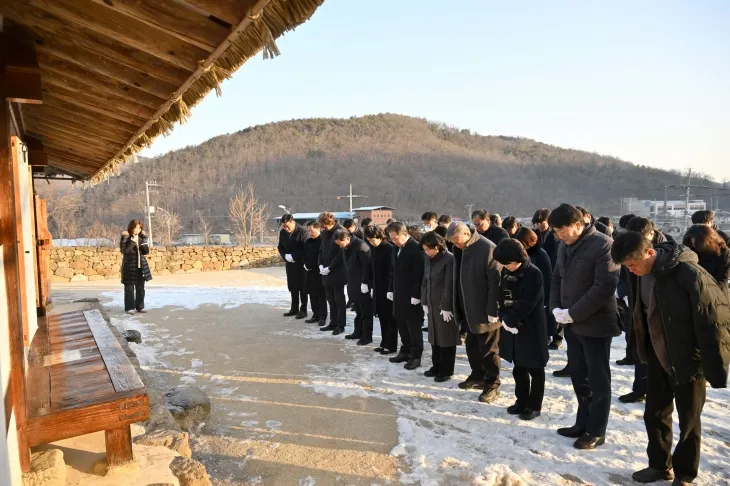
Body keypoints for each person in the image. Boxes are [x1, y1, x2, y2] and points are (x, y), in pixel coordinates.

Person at [611, 232, 730, 485]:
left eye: (633, 265)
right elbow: (641, 312)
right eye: (627, 268)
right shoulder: (640, 275)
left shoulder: (689, 273)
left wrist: (716, 366)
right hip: (657, 355)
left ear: (650, 253)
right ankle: (659, 465)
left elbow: (714, 320)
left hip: (688, 358)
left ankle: (685, 473)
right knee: (654, 414)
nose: (631, 271)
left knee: (688, 421)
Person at [549, 203, 620, 450]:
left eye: (563, 231)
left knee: (598, 378)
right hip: (571, 322)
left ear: (579, 224)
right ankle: (582, 422)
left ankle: (597, 430)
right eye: (556, 232)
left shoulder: (603, 245)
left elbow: (604, 286)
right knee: (579, 375)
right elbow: (557, 276)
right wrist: (556, 308)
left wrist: (573, 313)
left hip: (596, 323)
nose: (559, 236)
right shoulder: (563, 245)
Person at [447, 221, 502, 403]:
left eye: (458, 241)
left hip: (485, 310)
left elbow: (496, 281)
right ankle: (477, 375)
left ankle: (492, 385)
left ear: (466, 234)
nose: (456, 245)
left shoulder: (487, 248)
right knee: (472, 346)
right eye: (453, 243)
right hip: (467, 308)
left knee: (489, 350)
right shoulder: (460, 249)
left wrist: (493, 308)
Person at [494, 239, 549, 421]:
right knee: (519, 367)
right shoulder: (506, 271)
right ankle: (521, 400)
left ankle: (534, 405)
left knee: (535, 368)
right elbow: (501, 296)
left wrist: (511, 319)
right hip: (512, 326)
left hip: (531, 326)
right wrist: (503, 315)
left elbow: (528, 303)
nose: (506, 267)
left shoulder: (533, 274)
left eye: (508, 263)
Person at [387, 222, 426, 370]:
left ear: (404, 234)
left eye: (395, 238)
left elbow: (420, 274)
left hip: (411, 296)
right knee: (401, 324)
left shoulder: (415, 248)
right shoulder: (396, 248)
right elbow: (392, 270)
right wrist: (390, 289)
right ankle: (405, 351)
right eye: (391, 238)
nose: (393, 241)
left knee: (413, 326)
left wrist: (416, 295)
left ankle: (415, 356)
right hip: (398, 294)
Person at [420, 232, 457, 382]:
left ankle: (446, 370)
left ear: (437, 246)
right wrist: (424, 301)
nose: (426, 252)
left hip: (444, 306)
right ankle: (436, 366)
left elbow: (449, 284)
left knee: (446, 338)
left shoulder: (449, 259)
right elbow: (425, 281)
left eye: (428, 249)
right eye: (425, 249)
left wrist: (446, 306)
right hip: (431, 303)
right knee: (434, 337)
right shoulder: (429, 259)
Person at [334, 229, 374, 345]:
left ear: (347, 238)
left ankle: (367, 336)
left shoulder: (361, 246)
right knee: (358, 310)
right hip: (353, 283)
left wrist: (365, 282)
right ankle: (357, 332)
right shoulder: (347, 247)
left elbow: (367, 266)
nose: (341, 247)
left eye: (341, 244)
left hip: (363, 284)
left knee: (366, 311)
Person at [514, 228, 554, 344]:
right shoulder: (523, 254)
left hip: (540, 296)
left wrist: (546, 300)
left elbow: (547, 278)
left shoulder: (541, 255)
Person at [365, 225, 398, 354]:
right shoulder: (374, 249)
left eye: (373, 240)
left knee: (390, 318)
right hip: (377, 288)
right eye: (369, 240)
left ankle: (391, 345)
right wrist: (371, 286)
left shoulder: (389, 249)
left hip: (387, 289)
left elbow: (391, 271)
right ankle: (384, 342)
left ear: (380, 237)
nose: (371, 242)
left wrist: (390, 289)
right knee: (382, 317)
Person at [318, 212, 347, 335]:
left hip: (338, 271)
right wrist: (320, 264)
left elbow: (341, 254)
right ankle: (333, 322)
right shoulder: (325, 233)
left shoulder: (341, 232)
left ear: (331, 222)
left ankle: (341, 325)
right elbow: (321, 250)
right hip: (325, 271)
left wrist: (330, 267)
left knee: (339, 299)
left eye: (324, 226)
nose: (323, 228)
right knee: (330, 298)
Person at [278, 214, 308, 319]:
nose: (285, 228)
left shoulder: (302, 232)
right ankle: (294, 308)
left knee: (302, 287)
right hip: (290, 264)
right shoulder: (283, 232)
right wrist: (285, 256)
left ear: (292, 222)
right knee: (293, 286)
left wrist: (294, 255)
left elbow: (306, 248)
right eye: (284, 226)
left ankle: (303, 310)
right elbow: (280, 246)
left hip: (301, 263)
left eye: (287, 226)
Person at [120, 219, 152, 314]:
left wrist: (144, 243)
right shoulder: (126, 237)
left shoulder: (142, 237)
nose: (137, 230)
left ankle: (140, 306)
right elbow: (124, 251)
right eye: (135, 227)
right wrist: (132, 242)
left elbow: (146, 252)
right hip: (129, 266)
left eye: (139, 228)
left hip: (141, 266)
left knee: (140, 288)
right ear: (131, 227)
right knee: (129, 288)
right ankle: (129, 308)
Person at [303, 221, 327, 326]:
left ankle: (323, 316)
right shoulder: (308, 242)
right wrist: (305, 264)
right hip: (309, 272)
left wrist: (313, 265)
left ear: (318, 229)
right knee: (312, 294)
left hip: (319, 272)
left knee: (321, 295)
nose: (309, 233)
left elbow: (322, 257)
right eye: (308, 230)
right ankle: (315, 314)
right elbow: (305, 255)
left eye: (311, 230)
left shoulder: (323, 241)